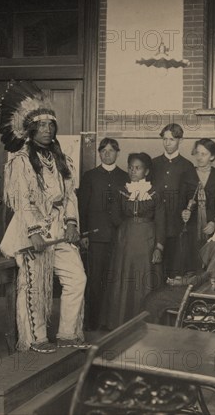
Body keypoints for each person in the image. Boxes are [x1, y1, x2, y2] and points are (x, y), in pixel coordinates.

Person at [0, 81, 88, 353]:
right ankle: (36, 338)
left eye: (51, 126)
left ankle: (67, 333)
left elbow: (70, 195)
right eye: (42, 126)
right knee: (34, 285)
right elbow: (22, 202)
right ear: (31, 129)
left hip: (60, 230)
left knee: (77, 278)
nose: (47, 130)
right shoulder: (21, 161)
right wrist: (34, 231)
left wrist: (72, 224)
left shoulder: (62, 160)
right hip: (32, 233)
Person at [143, 201, 215, 324]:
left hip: (203, 292)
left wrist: (183, 282)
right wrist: (186, 278)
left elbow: (211, 276)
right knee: (158, 295)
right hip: (201, 285)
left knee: (152, 300)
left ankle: (152, 340)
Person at [106, 153, 166, 329]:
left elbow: (161, 222)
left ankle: (143, 324)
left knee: (143, 282)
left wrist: (159, 247)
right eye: (130, 167)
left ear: (146, 171)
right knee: (124, 280)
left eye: (137, 168)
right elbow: (115, 218)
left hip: (147, 241)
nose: (133, 171)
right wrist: (128, 226)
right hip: (125, 241)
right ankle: (120, 323)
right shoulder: (121, 191)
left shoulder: (155, 192)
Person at [77, 138, 129, 330]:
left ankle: (110, 321)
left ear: (117, 153)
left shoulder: (124, 177)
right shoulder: (90, 176)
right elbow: (82, 207)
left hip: (118, 237)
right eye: (103, 150)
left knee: (113, 279)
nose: (107, 154)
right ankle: (92, 322)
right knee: (94, 280)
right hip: (96, 237)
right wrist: (84, 234)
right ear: (99, 153)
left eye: (111, 150)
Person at [179, 138, 215, 274]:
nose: (199, 157)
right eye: (197, 153)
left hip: (212, 229)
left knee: (209, 267)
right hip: (191, 229)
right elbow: (179, 203)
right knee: (191, 265)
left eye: (204, 154)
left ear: (212, 156)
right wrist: (183, 212)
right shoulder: (187, 175)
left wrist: (214, 223)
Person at [152, 124, 194, 277]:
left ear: (180, 140)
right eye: (165, 139)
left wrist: (188, 209)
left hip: (175, 223)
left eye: (172, 139)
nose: (167, 143)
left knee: (172, 265)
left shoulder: (187, 166)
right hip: (154, 223)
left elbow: (192, 195)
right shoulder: (153, 164)